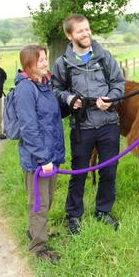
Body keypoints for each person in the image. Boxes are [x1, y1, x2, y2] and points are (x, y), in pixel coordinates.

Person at [52, 14, 125, 235]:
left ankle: (103, 211)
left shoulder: (105, 57)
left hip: (108, 124)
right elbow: (56, 89)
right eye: (80, 31)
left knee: (109, 171)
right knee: (79, 172)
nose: (86, 34)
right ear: (69, 35)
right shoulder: (62, 63)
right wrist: (69, 99)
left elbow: (118, 84)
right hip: (81, 127)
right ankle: (74, 215)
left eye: (87, 29)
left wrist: (111, 99)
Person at [14, 45, 65, 262]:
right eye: (41, 60)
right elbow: (29, 128)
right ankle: (38, 248)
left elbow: (52, 119)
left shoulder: (44, 85)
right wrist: (43, 159)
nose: (45, 63)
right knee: (39, 202)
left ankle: (36, 231)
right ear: (28, 64)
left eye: (45, 59)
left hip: (50, 155)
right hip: (38, 159)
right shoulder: (26, 89)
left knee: (47, 198)